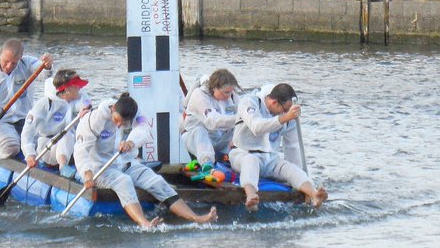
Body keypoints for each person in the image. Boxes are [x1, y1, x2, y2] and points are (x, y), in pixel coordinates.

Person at [74, 92, 217, 228]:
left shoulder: (136, 112)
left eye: (123, 123)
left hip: (123, 162)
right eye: (117, 120)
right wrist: (87, 173)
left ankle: (197, 218)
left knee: (156, 181)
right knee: (124, 181)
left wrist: (131, 142)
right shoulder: (94, 119)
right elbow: (81, 150)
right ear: (113, 109)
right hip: (100, 167)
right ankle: (144, 223)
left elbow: (143, 129)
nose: (118, 126)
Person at [230, 83, 328, 211]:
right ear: (274, 102)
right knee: (251, 161)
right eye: (285, 109)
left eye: (288, 110)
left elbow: (292, 147)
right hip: (242, 153)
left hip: (270, 158)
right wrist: (285, 117)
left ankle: (314, 194)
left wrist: (298, 177)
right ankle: (251, 197)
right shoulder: (249, 102)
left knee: (291, 169)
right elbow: (256, 126)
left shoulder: (288, 116)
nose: (286, 112)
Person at [0, 39, 54, 160]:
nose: (9, 66)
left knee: (43, 145)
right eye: (6, 61)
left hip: (25, 120)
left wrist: (47, 66)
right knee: (12, 148)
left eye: (14, 63)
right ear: (0, 53)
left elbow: (43, 74)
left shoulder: (26, 63)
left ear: (20, 58)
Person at [20, 69, 91, 178]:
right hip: (47, 148)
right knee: (66, 135)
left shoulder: (74, 99)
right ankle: (63, 167)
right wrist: (29, 154)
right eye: (77, 86)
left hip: (69, 147)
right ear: (67, 89)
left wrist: (83, 112)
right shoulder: (45, 103)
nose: (80, 88)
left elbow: (87, 102)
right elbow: (27, 131)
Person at [181, 69, 240, 172]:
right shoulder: (199, 95)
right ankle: (207, 164)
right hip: (196, 139)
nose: (228, 96)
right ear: (214, 88)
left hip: (220, 140)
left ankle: (237, 160)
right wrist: (240, 118)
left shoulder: (232, 96)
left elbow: (240, 116)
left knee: (240, 128)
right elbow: (213, 121)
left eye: (230, 92)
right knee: (199, 130)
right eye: (225, 92)